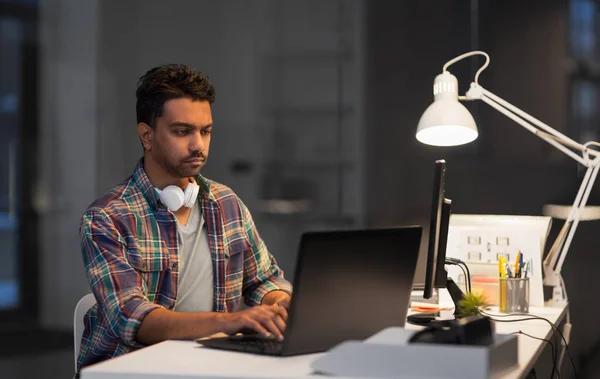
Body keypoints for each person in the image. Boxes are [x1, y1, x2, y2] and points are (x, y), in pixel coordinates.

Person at [77, 64, 292, 370]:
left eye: (205, 131)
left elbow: (264, 280)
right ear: (147, 136)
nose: (198, 145)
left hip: (212, 365)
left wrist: (279, 302)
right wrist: (232, 321)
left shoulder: (226, 203)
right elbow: (132, 317)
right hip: (133, 371)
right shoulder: (106, 218)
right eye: (182, 131)